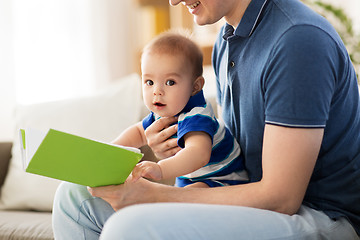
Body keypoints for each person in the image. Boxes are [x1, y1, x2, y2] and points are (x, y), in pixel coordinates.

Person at [52, 0, 360, 239]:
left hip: (320, 217)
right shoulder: (226, 43)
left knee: (129, 227)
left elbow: (281, 198)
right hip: (252, 196)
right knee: (74, 196)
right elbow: (232, 152)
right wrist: (177, 146)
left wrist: (157, 196)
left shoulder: (298, 41)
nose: (173, 1)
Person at [113, 31, 248, 188]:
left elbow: (198, 154)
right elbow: (138, 132)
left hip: (224, 179)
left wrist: (161, 169)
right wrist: (113, 148)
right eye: (149, 82)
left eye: (170, 82)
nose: (157, 91)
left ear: (195, 87)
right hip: (191, 179)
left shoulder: (197, 115)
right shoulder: (164, 111)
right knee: (179, 194)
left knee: (186, 194)